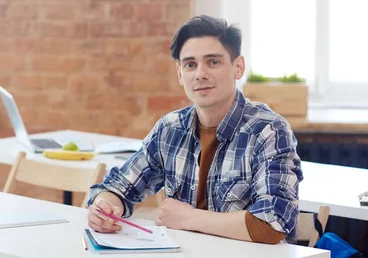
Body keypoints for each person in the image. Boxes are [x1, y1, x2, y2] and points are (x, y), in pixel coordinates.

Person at [87, 15, 304, 244]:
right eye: (190, 65)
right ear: (180, 74)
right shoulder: (170, 129)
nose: (200, 74)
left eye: (213, 62)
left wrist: (188, 218)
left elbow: (272, 224)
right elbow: (120, 186)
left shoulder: (269, 130)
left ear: (238, 67)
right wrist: (105, 206)